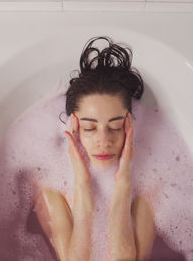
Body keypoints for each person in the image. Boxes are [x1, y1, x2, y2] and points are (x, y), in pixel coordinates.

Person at [33, 36, 156, 261]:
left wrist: (123, 184)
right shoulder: (50, 191)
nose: (104, 140)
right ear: (74, 127)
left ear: (129, 126)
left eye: (116, 126)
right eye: (90, 127)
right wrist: (82, 185)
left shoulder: (149, 192)